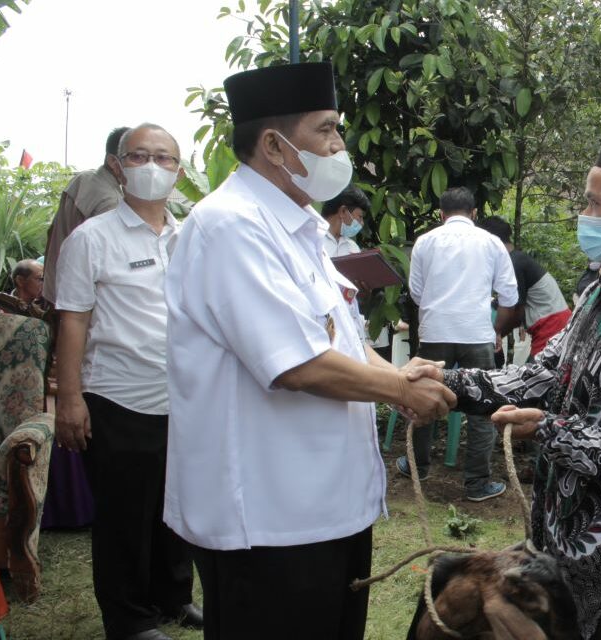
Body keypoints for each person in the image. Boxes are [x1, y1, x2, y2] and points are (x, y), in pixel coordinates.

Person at [163, 62, 455, 640]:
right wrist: (399, 390)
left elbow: (336, 337)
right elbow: (295, 363)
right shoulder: (231, 226)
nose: (339, 144)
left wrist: (395, 374)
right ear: (274, 144)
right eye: (327, 129)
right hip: (269, 517)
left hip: (324, 508)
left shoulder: (299, 229)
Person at [409, 126, 601, 640]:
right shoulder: (600, 294)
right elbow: (542, 374)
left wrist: (549, 431)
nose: (584, 217)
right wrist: (448, 380)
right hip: (560, 541)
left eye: (595, 205)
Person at [54, 123, 199, 640]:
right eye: (139, 155)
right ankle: (129, 618)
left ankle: (174, 597)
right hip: (118, 396)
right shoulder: (92, 238)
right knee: (124, 517)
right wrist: (70, 399)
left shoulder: (189, 237)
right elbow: (72, 318)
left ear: (179, 171)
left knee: (175, 505)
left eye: (164, 157)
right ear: (118, 166)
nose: (152, 166)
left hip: (181, 399)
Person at [397, 186, 519, 501]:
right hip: (476, 333)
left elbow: (416, 292)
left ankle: (418, 466)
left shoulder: (425, 241)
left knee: (421, 396)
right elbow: (510, 295)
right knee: (481, 408)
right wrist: (495, 324)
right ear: (474, 213)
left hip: (435, 331)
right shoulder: (491, 243)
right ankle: (477, 484)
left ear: (441, 214)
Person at [43, 127, 129, 304]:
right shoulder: (111, 200)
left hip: (55, 290)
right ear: (114, 162)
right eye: (136, 157)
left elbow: (52, 232)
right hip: (81, 301)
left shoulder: (82, 179)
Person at [476, 216, 571, 357]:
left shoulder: (513, 263)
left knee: (539, 374)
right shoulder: (516, 258)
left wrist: (496, 333)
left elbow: (516, 312)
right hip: (551, 322)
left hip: (551, 324)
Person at [321, 185, 369, 257]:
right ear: (343, 211)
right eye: (360, 217)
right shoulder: (314, 239)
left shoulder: (353, 247)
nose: (362, 223)